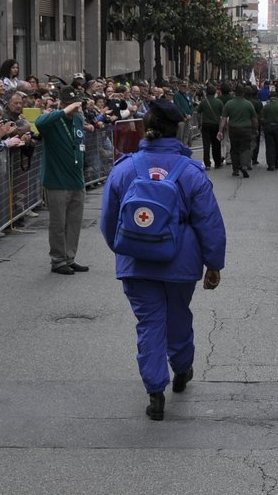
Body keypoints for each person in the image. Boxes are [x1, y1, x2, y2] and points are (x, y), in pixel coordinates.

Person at [100, 100, 225, 420]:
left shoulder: (125, 168)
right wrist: (214, 263)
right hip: (181, 261)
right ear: (178, 130)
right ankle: (182, 367)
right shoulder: (192, 172)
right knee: (178, 315)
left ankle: (155, 390)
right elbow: (208, 221)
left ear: (145, 129)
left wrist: (123, 249)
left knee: (149, 324)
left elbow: (109, 220)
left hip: (137, 262)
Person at [37, 87, 90, 275]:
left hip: (76, 180)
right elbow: (39, 123)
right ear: (62, 103)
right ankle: (58, 260)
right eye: (71, 104)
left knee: (74, 223)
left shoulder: (77, 119)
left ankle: (69, 257)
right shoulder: (53, 119)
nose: (76, 107)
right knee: (58, 223)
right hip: (57, 181)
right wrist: (63, 111)